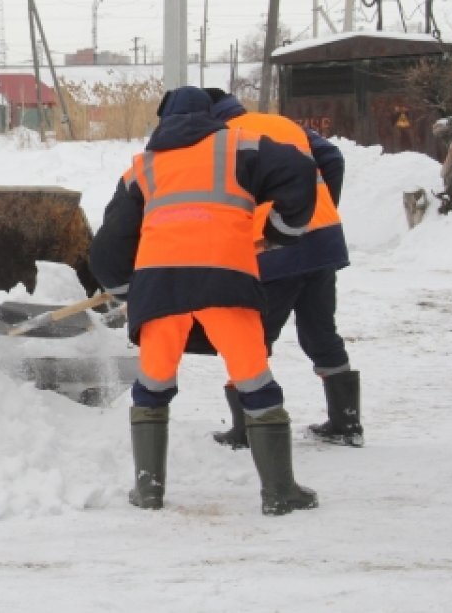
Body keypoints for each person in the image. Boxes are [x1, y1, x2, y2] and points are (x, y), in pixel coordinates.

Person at [89, 86, 320, 516]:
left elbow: (109, 243)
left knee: (152, 386)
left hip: (160, 288)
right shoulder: (239, 145)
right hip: (225, 281)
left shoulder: (143, 169)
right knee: (254, 380)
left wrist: (124, 289)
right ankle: (280, 492)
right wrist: (284, 228)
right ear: (211, 114)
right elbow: (300, 168)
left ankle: (149, 491)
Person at [205, 88, 361, 448]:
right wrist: (322, 209)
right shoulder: (281, 123)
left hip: (271, 248)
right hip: (322, 240)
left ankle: (246, 428)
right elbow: (332, 159)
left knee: (252, 337)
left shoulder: (224, 140)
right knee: (320, 331)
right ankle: (346, 424)